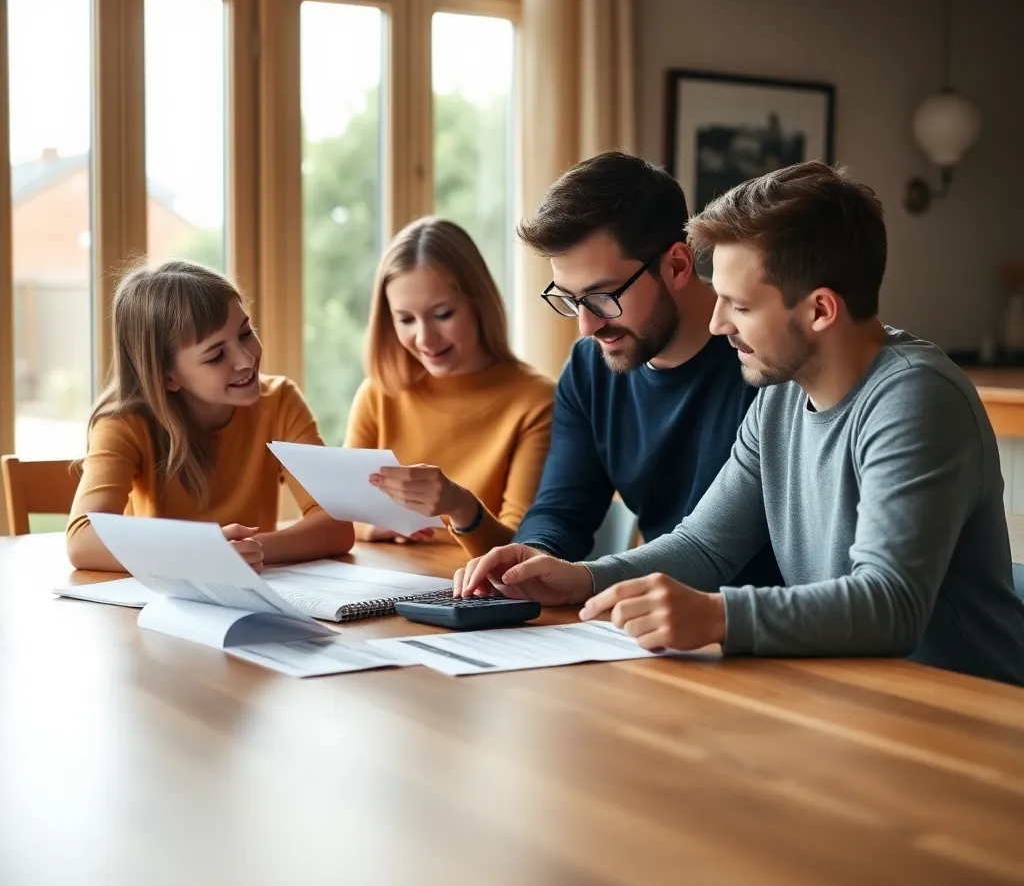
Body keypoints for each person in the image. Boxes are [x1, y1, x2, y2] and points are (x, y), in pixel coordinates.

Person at [457, 161, 1024, 686]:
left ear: (820, 310)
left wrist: (718, 615)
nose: (718, 323)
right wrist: (582, 578)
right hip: (848, 695)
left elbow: (890, 604)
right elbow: (704, 547)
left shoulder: (914, 397)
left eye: (741, 306)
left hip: (964, 711)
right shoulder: (780, 395)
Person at [508, 150, 779, 584]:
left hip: (761, 617)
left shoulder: (766, 362)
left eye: (603, 296)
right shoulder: (589, 369)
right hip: (657, 609)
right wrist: (532, 556)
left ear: (677, 265)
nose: (587, 326)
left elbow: (715, 551)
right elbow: (563, 510)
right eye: (571, 299)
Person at [67, 260, 354, 572]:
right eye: (216, 355)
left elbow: (337, 525)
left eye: (246, 333)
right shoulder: (124, 424)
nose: (246, 360)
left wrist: (246, 551)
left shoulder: (280, 401)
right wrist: (203, 554)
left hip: (257, 591)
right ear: (166, 377)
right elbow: (82, 540)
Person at [345, 216, 554, 557]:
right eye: (406, 319)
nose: (424, 339)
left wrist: (460, 506)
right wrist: (371, 527)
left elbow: (522, 549)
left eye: (442, 314)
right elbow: (342, 511)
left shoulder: (535, 401)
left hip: (472, 584)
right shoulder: (379, 393)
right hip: (379, 578)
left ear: (478, 304)